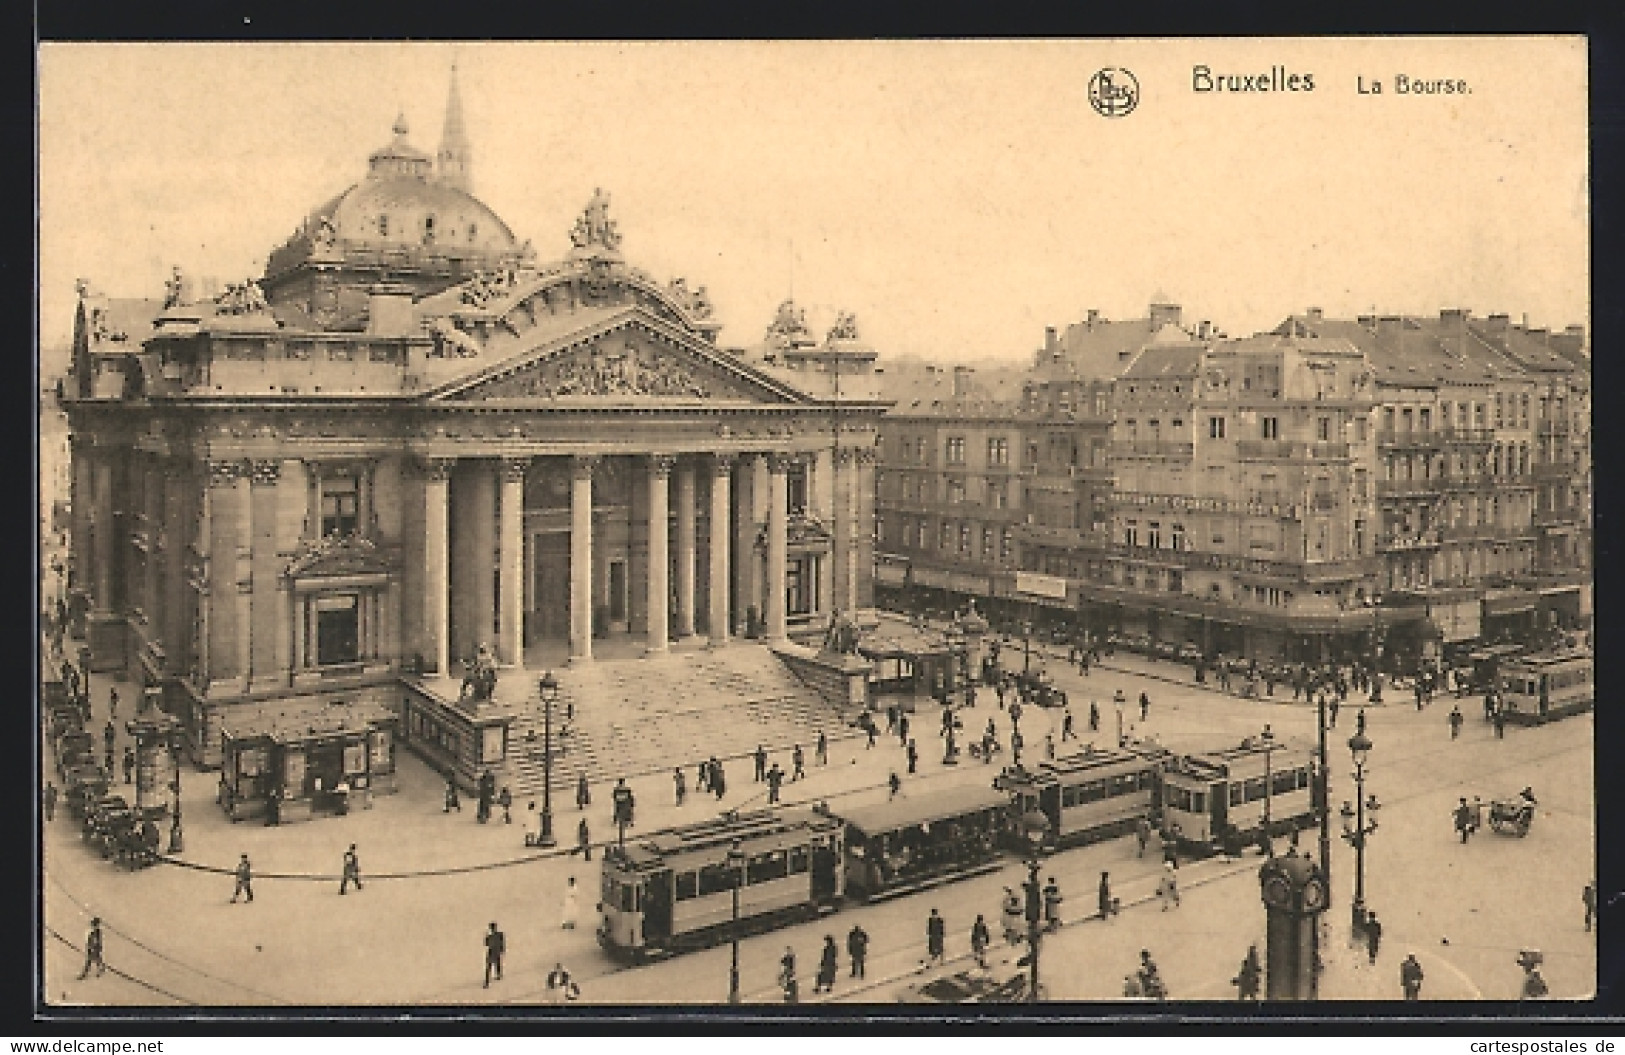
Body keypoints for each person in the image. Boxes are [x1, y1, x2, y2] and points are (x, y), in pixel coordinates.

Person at [483, 922, 505, 987]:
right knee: (494, 965)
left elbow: (487, 944)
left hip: (493, 951)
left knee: (490, 966)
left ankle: (489, 981)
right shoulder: (498, 935)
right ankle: (496, 976)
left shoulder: (493, 936)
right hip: (495, 951)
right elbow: (487, 944)